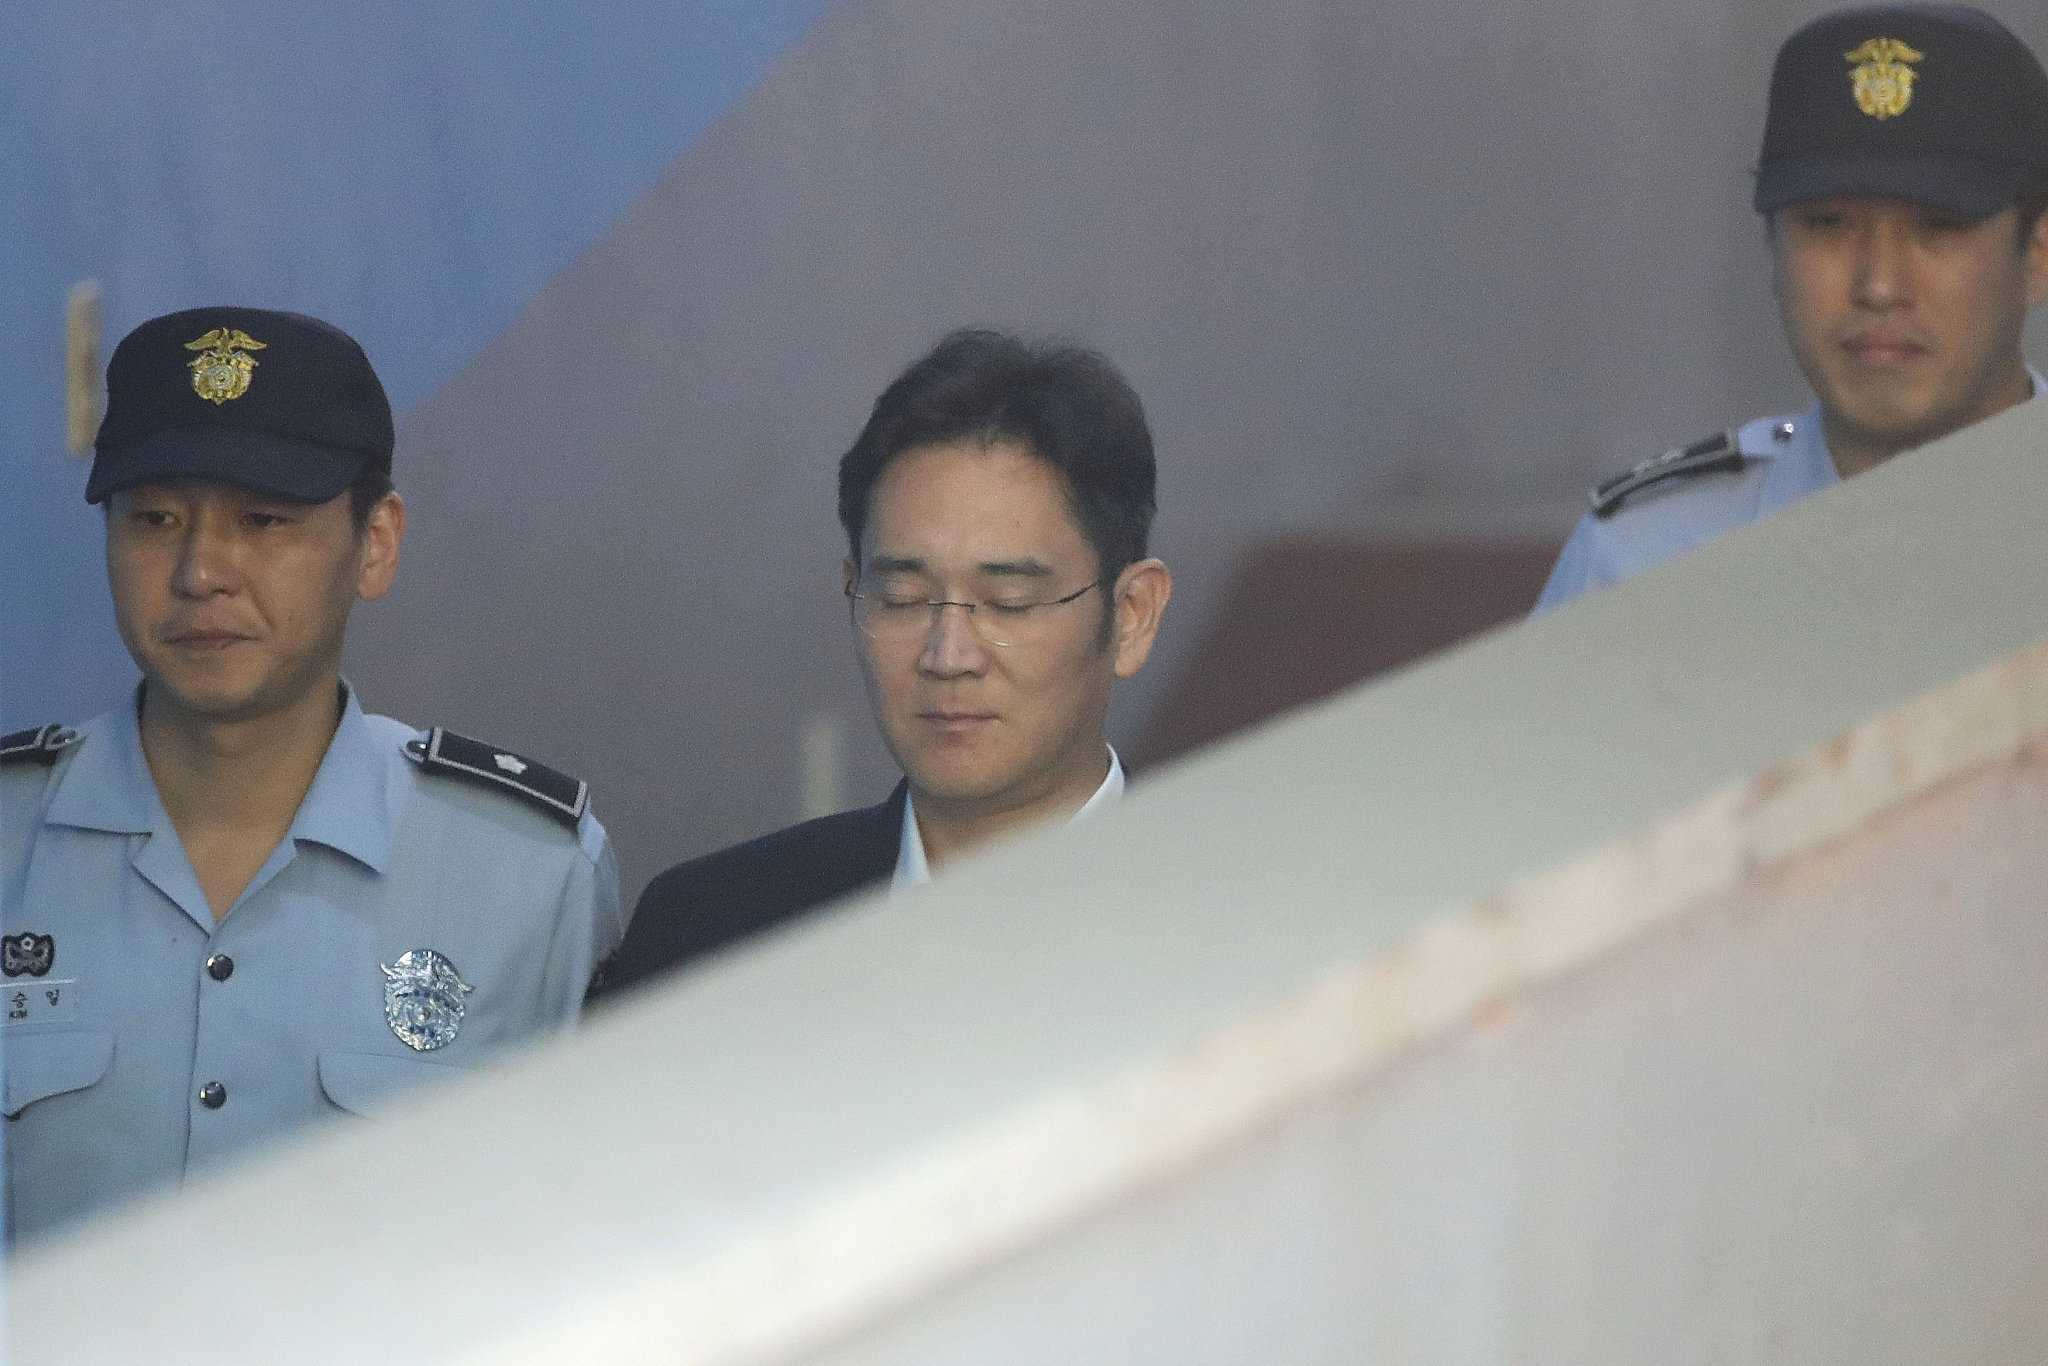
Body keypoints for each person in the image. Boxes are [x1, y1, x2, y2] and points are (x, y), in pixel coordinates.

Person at [1, 307, 624, 1244]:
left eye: (264, 521)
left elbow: (589, 1247)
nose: (201, 572)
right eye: (156, 519)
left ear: (376, 543)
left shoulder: (530, 878)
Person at [589, 329, 1172, 999]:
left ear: (1132, 615)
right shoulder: (708, 936)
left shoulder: (1249, 926)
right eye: (902, 598)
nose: (948, 656)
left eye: (1007, 603)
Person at [1536, 2, 2048, 611]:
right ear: (1772, 249)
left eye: (1938, 225)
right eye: (1828, 224)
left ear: (2038, 257)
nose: (1879, 286)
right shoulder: (1644, 563)